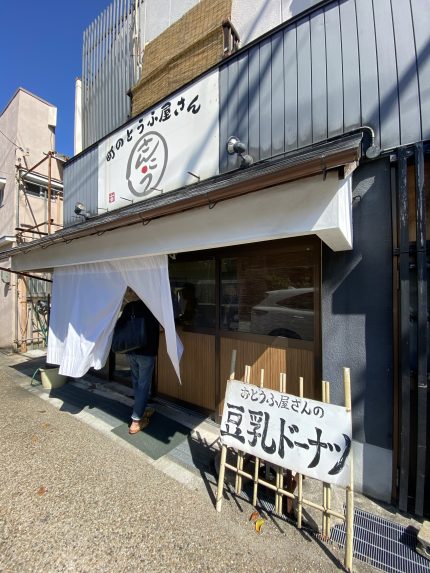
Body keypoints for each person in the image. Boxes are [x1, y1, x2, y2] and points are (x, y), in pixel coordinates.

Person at [115, 289, 160, 434]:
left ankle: (140, 407)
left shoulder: (130, 307)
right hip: (147, 352)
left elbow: (120, 325)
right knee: (144, 385)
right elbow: (162, 328)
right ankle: (135, 421)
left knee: (137, 382)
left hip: (131, 350)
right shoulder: (155, 308)